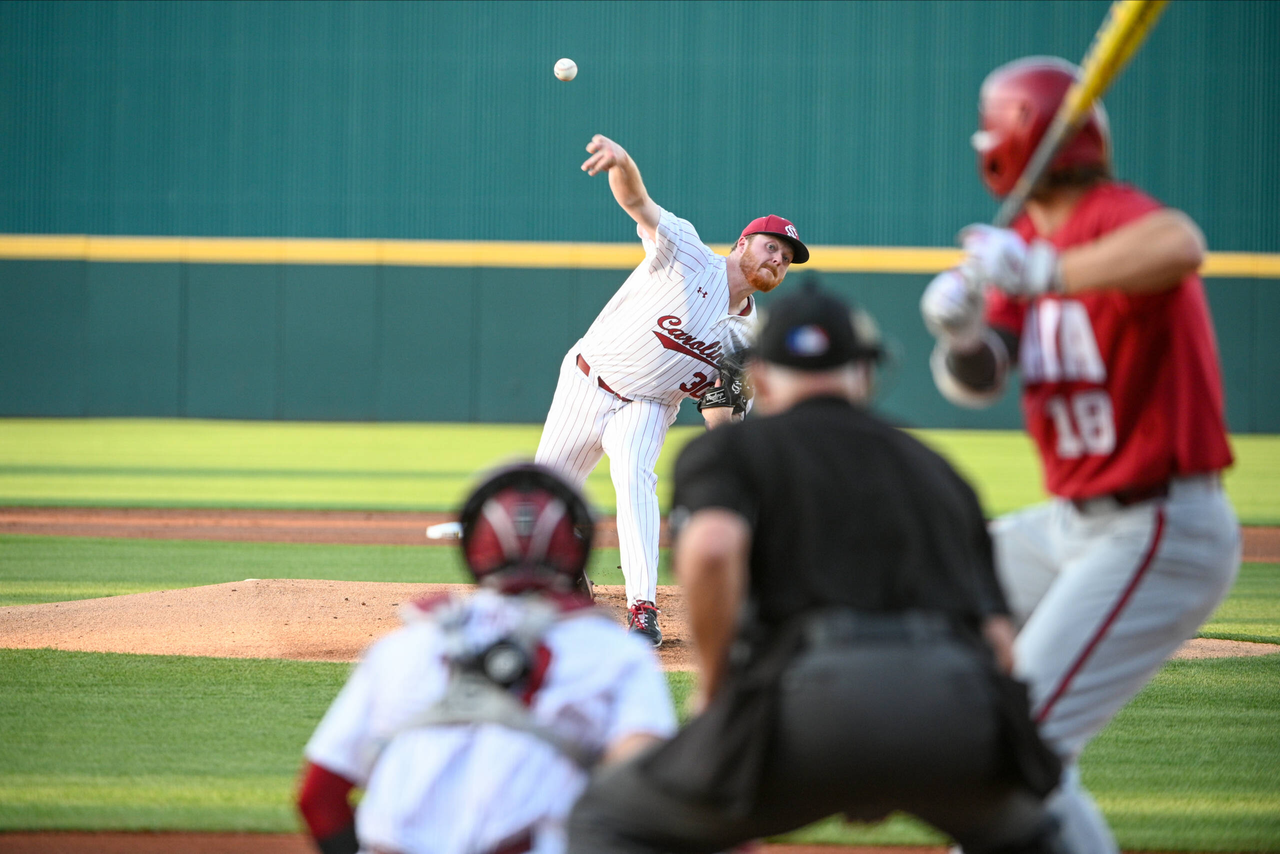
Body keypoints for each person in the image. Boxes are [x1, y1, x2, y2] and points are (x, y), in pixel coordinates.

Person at [566, 280, 1066, 854]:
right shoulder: (934, 469)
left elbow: (710, 549)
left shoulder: (732, 450)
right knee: (1037, 836)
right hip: (946, 711)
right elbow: (1000, 641)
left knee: (607, 816)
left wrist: (714, 689)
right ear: (865, 374)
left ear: (762, 377)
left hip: (806, 709)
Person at [920, 56, 1241, 854]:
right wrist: (961, 338)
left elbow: (1180, 244)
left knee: (1015, 750)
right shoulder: (1024, 237)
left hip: (1157, 523)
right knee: (932, 591)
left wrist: (1045, 272)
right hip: (1072, 524)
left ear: (1018, 141)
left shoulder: (1109, 219)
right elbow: (986, 375)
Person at [297, 463, 677, 854]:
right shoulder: (615, 653)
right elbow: (653, 797)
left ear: (473, 549)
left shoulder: (404, 646)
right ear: (576, 552)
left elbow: (318, 799)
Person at [534, 133, 809, 647]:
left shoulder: (749, 338)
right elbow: (637, 202)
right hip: (587, 378)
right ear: (743, 243)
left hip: (648, 405)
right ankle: (564, 573)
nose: (778, 260)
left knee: (635, 480)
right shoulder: (687, 252)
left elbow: (719, 425)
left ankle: (643, 608)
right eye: (772, 246)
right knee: (541, 499)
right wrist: (622, 162)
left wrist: (727, 414)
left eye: (787, 259)